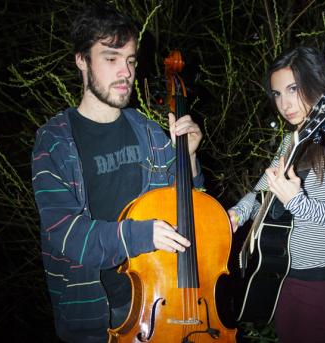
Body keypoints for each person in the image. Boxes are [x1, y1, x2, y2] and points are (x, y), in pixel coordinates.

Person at [31, 3, 203, 342]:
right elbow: (65, 235)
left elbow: (189, 209)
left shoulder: (150, 133)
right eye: (111, 59)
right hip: (91, 311)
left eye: (130, 60)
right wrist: (139, 235)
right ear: (81, 60)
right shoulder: (53, 143)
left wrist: (190, 160)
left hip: (157, 299)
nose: (125, 72)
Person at [228, 46, 325, 342]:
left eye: (293, 88)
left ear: (315, 83)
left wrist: (299, 203)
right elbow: (261, 194)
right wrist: (237, 214)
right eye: (277, 94)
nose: (284, 103)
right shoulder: (289, 143)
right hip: (283, 273)